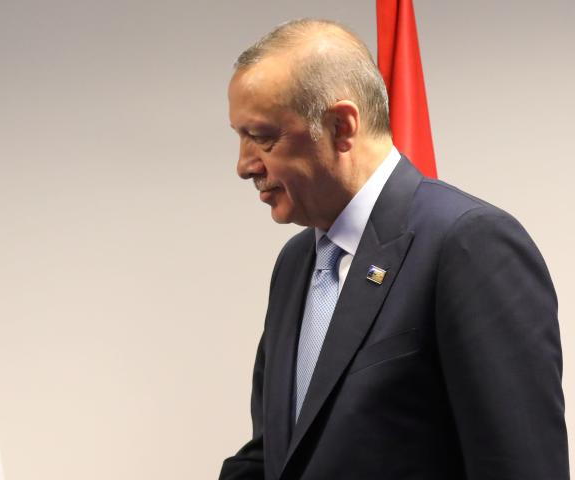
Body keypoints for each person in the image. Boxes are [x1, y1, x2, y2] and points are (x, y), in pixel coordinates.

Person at [219, 19, 566, 479]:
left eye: (263, 138)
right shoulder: (296, 264)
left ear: (342, 126)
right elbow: (279, 456)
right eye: (239, 137)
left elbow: (520, 466)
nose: (244, 165)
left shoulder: (468, 245)